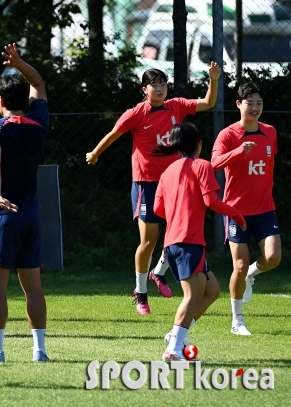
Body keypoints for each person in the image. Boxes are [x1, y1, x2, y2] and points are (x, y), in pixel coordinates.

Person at [86, 64, 221, 314]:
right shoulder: (136, 113)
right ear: (144, 89)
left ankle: (158, 273)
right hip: (146, 183)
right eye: (155, 85)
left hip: (173, 182)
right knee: (149, 241)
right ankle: (140, 292)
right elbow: (114, 133)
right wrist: (95, 153)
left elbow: (208, 103)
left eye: (163, 84)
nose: (160, 89)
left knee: (178, 233)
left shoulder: (176, 106)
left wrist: (213, 80)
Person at [0, 43, 49, 363]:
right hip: (30, 214)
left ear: (0, 101)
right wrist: (19, 63)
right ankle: (40, 351)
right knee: (33, 286)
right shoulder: (39, 123)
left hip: (1, 215)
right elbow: (39, 83)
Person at [153, 123, 245, 360]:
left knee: (212, 290)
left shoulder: (167, 172)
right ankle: (174, 348)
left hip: (173, 243)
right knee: (192, 296)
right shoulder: (202, 165)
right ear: (199, 143)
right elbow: (212, 201)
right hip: (188, 242)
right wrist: (236, 214)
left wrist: (180, 210)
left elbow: (157, 208)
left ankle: (176, 334)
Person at [211, 82, 281, 336]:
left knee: (273, 258)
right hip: (236, 212)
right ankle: (237, 320)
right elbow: (214, 162)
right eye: (249, 103)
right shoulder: (228, 135)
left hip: (264, 209)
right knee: (238, 265)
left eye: (259, 103)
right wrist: (239, 152)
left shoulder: (270, 132)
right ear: (239, 104)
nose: (255, 107)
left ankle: (252, 274)